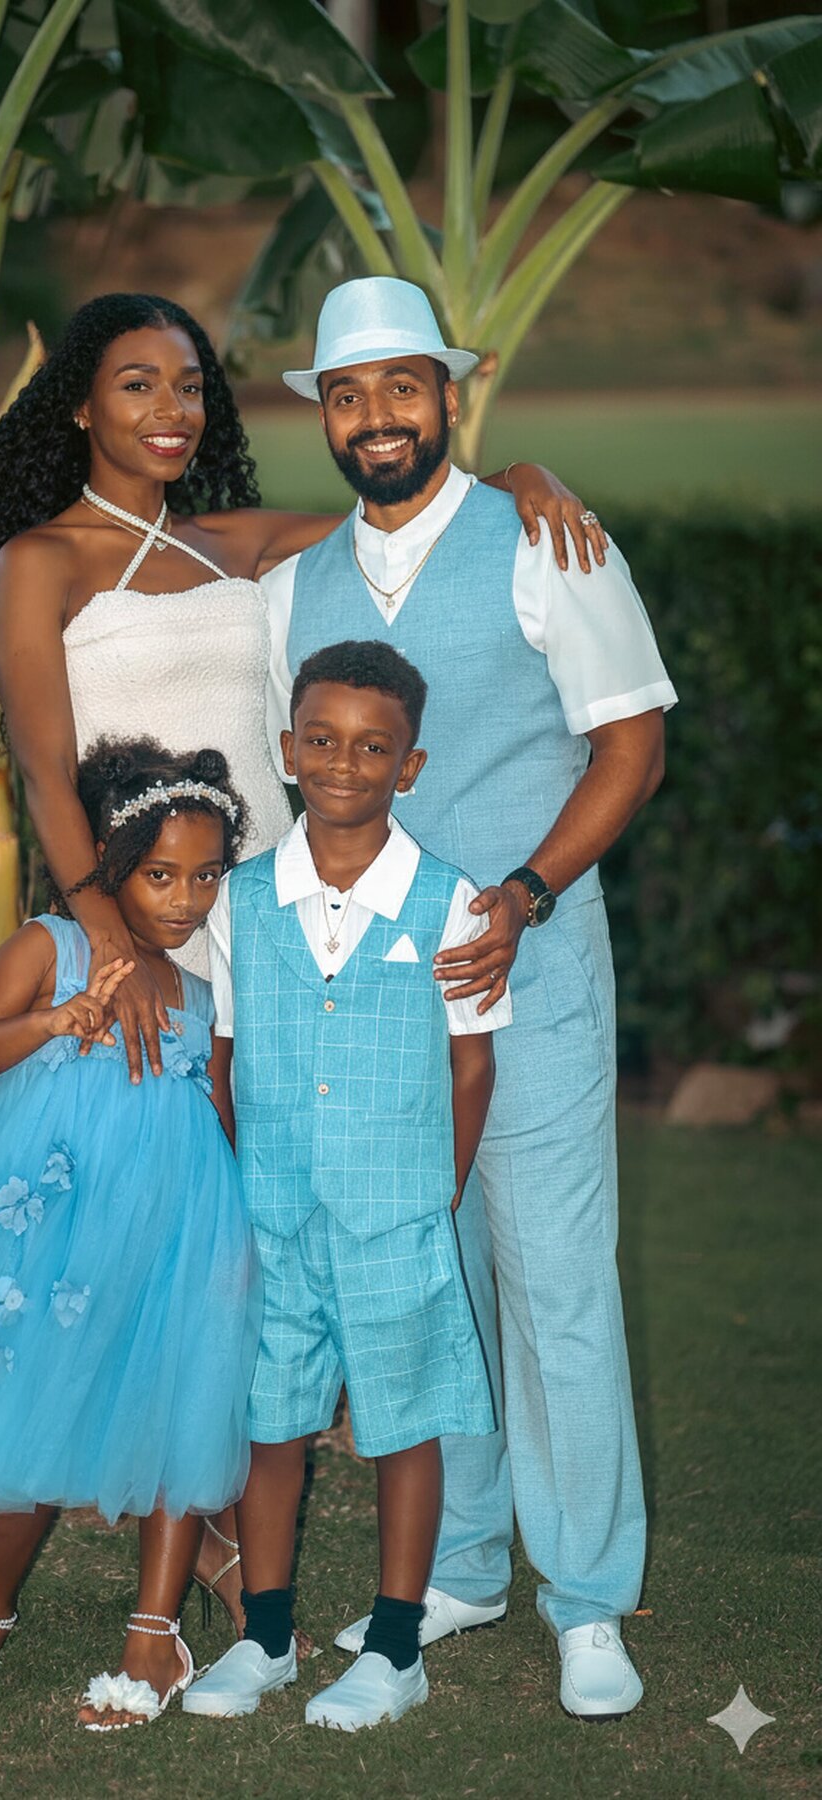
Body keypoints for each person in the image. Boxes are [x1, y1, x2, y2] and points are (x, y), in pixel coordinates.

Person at [0, 288, 608, 1627]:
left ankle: (219, 1535)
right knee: (111, 1246)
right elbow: (45, 768)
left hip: (275, 940)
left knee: (239, 1253)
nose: (172, 410)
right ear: (81, 404)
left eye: (191, 386)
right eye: (138, 384)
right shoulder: (40, 559)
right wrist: (110, 937)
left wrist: (521, 482)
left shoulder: (239, 540)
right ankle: (2, 1537)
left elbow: (413, 516)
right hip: (141, 937)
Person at [264, 276, 677, 1719]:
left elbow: (632, 746)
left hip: (534, 970)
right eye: (347, 394)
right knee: (421, 1283)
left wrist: (527, 895)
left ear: (450, 395)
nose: (377, 417)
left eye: (402, 386)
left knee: (555, 1283)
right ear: (325, 416)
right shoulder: (298, 588)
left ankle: (589, 1600)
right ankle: (465, 1563)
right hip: (375, 1011)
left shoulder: (546, 543)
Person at [0, 740, 260, 1727]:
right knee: (32, 1407)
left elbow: (218, 1115)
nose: (186, 899)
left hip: (180, 1233)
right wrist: (47, 1024)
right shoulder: (53, 947)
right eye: (160, 874)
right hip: (62, 1243)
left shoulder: (202, 995)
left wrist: (241, 1243)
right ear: (109, 866)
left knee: (176, 1407)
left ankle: (155, 1634)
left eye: (207, 875)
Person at [184, 640, 510, 1731]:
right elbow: (224, 1054)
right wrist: (238, 1184)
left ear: (408, 767)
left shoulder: (451, 903)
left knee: (403, 1423)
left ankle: (397, 1646)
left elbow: (472, 1063)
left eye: (374, 748)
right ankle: (266, 1637)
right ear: (286, 750)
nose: (343, 764)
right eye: (321, 740)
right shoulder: (241, 900)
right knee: (269, 1423)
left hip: (396, 1214)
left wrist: (437, 1191)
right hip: (272, 1212)